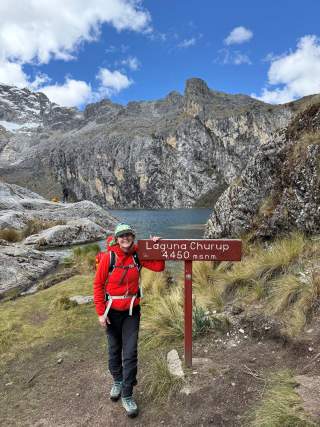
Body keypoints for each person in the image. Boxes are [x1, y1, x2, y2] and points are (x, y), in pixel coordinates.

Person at [93, 223, 165, 418]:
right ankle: (117, 379)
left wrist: (155, 247)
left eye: (128, 235)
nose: (125, 238)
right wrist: (101, 312)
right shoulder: (109, 258)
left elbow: (159, 266)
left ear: (133, 237)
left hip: (132, 311)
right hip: (111, 312)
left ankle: (127, 394)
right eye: (121, 235)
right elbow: (98, 285)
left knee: (130, 352)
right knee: (114, 350)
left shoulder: (137, 255)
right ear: (116, 239)